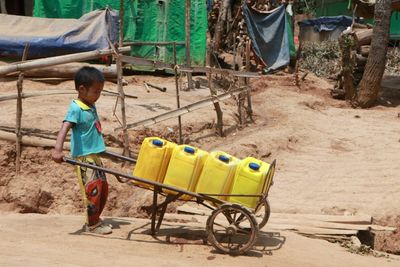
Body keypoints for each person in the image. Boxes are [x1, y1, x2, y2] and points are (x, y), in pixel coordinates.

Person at [52, 66, 112, 235]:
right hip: (84, 158)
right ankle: (92, 225)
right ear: (82, 89)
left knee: (103, 188)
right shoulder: (76, 108)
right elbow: (65, 127)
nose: (98, 96)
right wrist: (58, 149)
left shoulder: (90, 105)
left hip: (94, 155)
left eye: (100, 92)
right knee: (92, 190)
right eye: (96, 92)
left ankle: (95, 219)